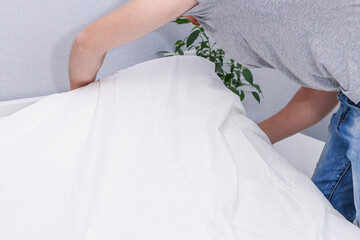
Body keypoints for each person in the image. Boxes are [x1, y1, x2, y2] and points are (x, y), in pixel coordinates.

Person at [68, 0, 360, 225]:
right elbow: (321, 93)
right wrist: (249, 139)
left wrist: (78, 108)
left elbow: (88, 42)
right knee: (325, 214)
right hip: (353, 100)